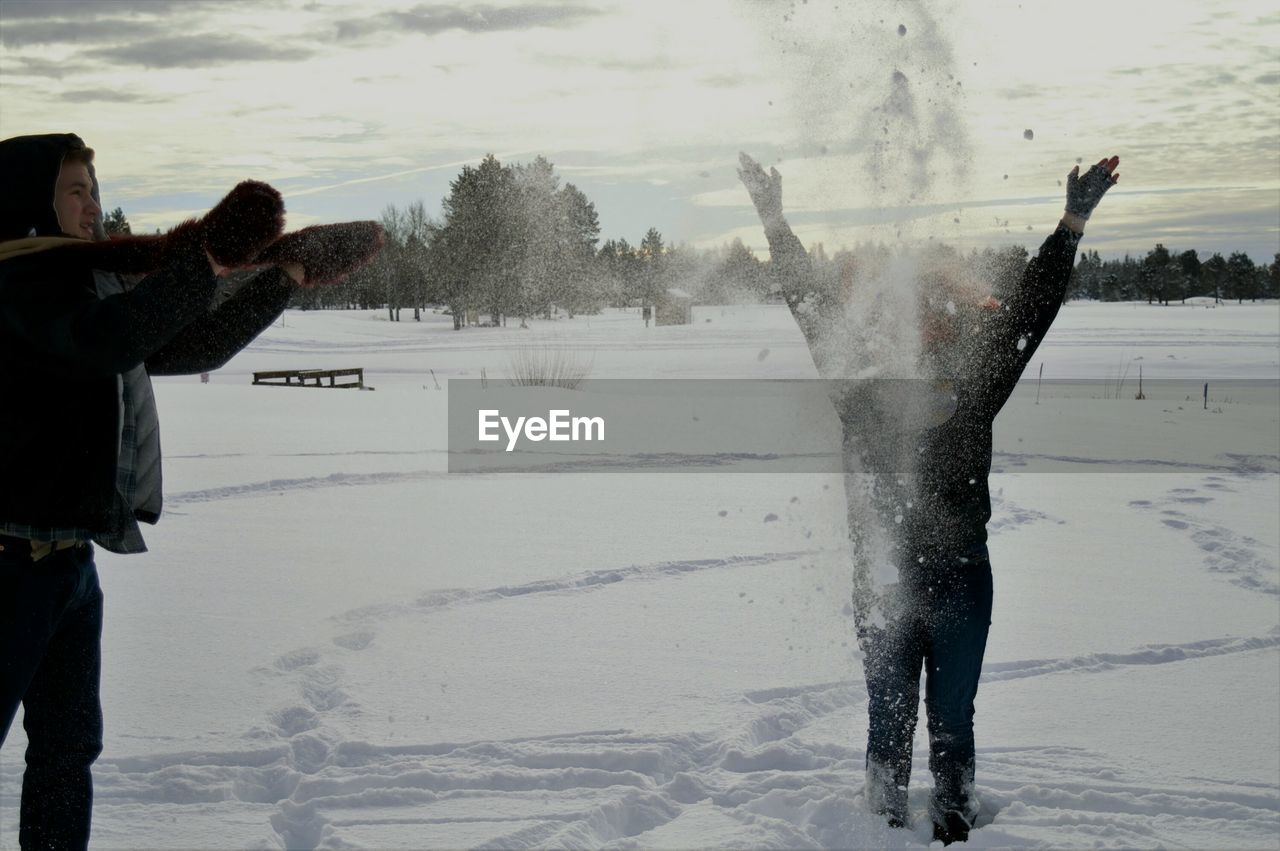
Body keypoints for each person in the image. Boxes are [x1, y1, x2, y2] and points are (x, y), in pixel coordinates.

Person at [0, 132, 384, 849]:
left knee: (65, 752)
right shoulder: (18, 290)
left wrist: (286, 276)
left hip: (68, 569)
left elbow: (188, 342)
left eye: (93, 188)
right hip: (6, 564)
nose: (91, 204)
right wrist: (206, 255)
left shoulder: (87, 286)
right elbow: (111, 338)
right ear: (29, 202)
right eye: (73, 190)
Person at [739, 151, 1118, 843]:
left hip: (962, 582)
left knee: (951, 726)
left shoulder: (977, 385)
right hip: (884, 583)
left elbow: (1033, 305)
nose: (937, 319)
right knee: (888, 724)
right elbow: (812, 304)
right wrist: (774, 221)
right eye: (922, 307)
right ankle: (880, 830)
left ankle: (954, 827)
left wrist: (1072, 223)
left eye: (947, 307)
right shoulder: (862, 386)